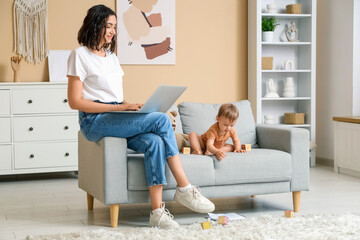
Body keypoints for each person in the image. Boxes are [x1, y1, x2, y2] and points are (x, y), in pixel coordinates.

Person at [67, 5, 214, 229]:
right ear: (95, 24)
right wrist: (117, 109)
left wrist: (131, 106)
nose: (112, 31)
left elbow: (113, 96)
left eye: (115, 27)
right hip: (94, 121)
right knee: (163, 120)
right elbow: (75, 101)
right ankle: (184, 188)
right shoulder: (80, 55)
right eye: (108, 26)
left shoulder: (111, 56)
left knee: (154, 142)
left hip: (115, 115)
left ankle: (157, 213)